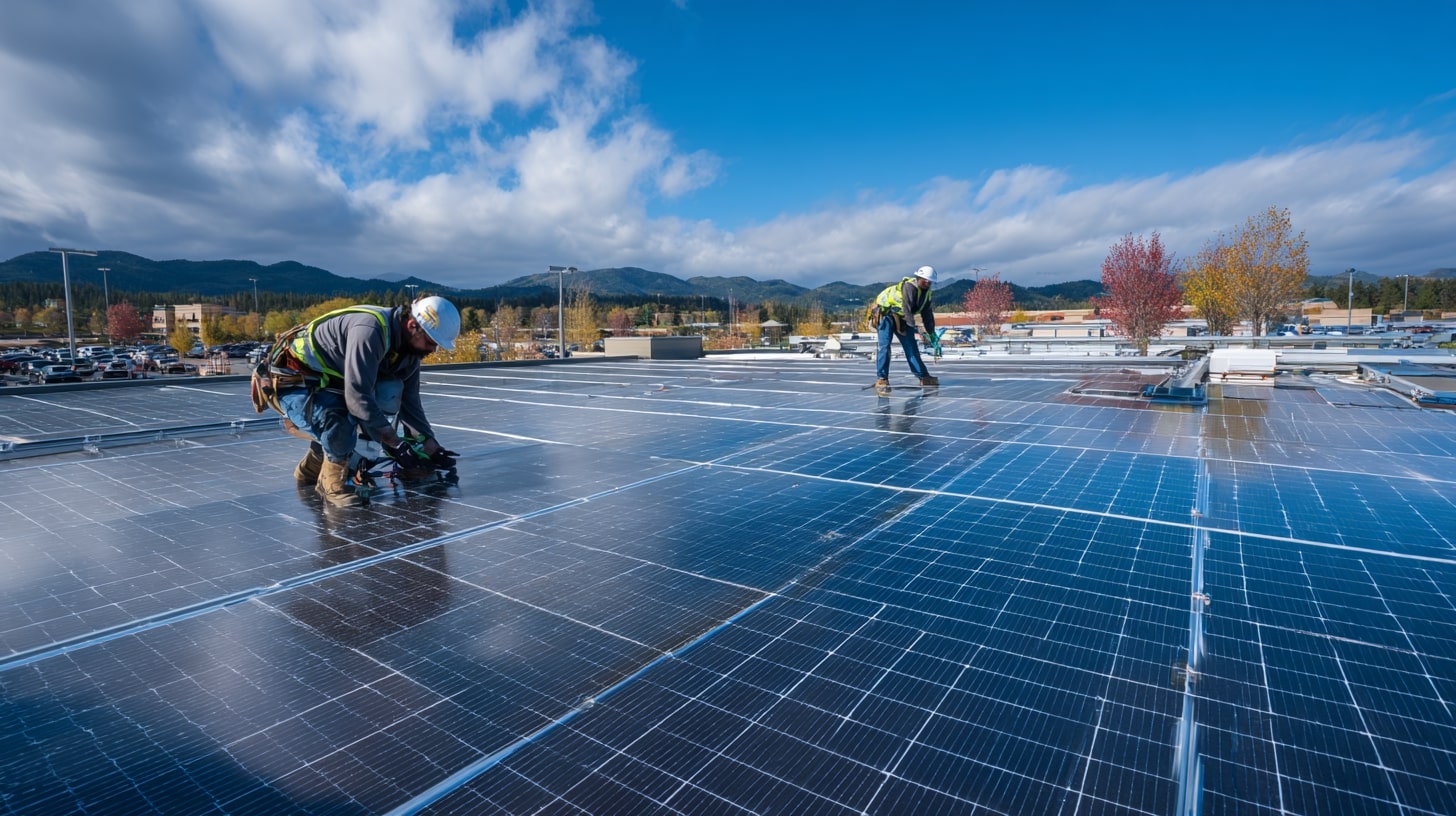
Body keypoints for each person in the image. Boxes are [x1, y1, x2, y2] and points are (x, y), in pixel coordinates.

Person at [255, 296, 461, 507]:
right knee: (340, 419)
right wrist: (395, 444)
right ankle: (331, 486)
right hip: (294, 385)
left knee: (389, 390)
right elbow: (357, 399)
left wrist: (431, 445)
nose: (432, 350)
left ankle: (311, 468)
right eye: (430, 342)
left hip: (331, 385)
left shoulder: (408, 352)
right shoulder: (370, 331)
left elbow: (410, 402)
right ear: (412, 325)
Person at [870, 265, 939, 393]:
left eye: (930, 281)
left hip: (902, 317)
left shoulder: (927, 294)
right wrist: (914, 329)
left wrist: (932, 333)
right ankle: (882, 378)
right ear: (918, 277)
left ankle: (923, 376)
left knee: (911, 347)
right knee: (884, 346)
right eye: (925, 280)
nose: (927, 282)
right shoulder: (909, 287)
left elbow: (927, 315)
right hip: (887, 315)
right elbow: (907, 309)